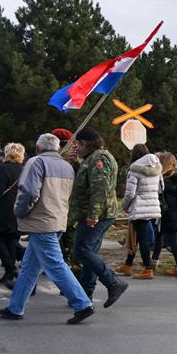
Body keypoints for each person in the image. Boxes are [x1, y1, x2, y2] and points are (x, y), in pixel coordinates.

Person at [0, 134, 95, 324]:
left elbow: (29, 191)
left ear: (38, 148)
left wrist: (19, 211)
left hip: (41, 221)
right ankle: (15, 307)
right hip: (57, 219)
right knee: (29, 268)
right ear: (58, 148)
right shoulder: (66, 166)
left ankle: (82, 303)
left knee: (55, 266)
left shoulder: (36, 162)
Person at [68, 127, 128, 305]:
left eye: (77, 144)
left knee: (81, 250)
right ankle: (86, 294)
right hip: (99, 213)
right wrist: (76, 163)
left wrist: (93, 214)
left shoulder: (98, 158)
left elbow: (99, 188)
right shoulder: (91, 158)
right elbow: (88, 180)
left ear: (85, 143)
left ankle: (113, 282)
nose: (75, 147)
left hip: (97, 215)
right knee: (89, 253)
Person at [115, 144, 163, 279]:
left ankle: (148, 268)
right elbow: (160, 189)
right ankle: (128, 264)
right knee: (135, 237)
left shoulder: (134, 170)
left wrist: (125, 206)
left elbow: (130, 193)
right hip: (153, 206)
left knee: (141, 239)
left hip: (139, 207)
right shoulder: (157, 168)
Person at [151, 153, 177, 276]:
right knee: (161, 238)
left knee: (169, 240)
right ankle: (154, 263)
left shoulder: (165, 180)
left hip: (167, 214)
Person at [0, 143, 25, 284]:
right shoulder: (23, 170)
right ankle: (9, 272)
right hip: (18, 209)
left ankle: (10, 268)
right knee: (11, 239)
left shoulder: (3, 169)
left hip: (2, 209)